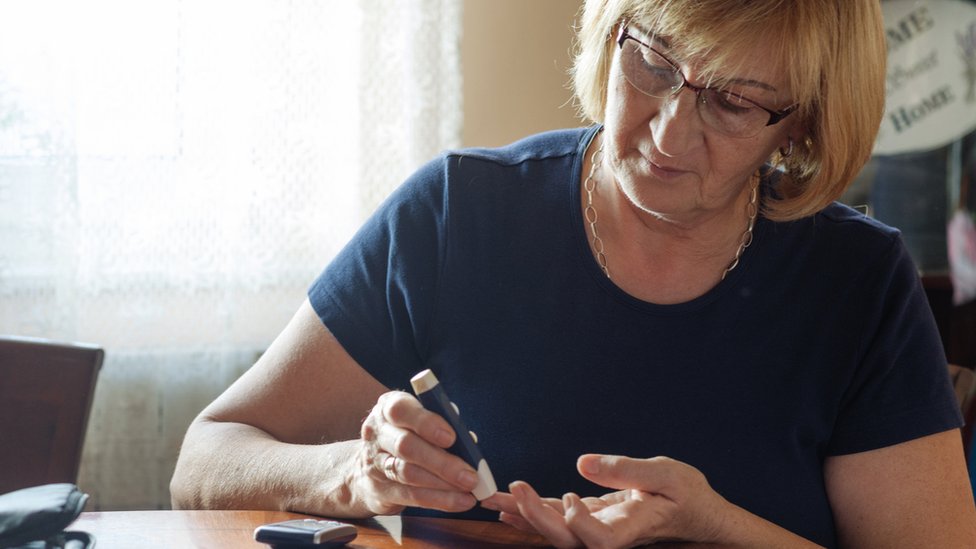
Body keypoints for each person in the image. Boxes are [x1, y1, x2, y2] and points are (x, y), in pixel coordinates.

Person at [170, 0, 976, 546]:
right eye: (654, 64)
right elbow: (204, 460)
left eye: (732, 101)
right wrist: (353, 475)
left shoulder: (857, 282)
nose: (666, 133)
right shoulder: (459, 215)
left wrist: (711, 524)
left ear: (798, 124)